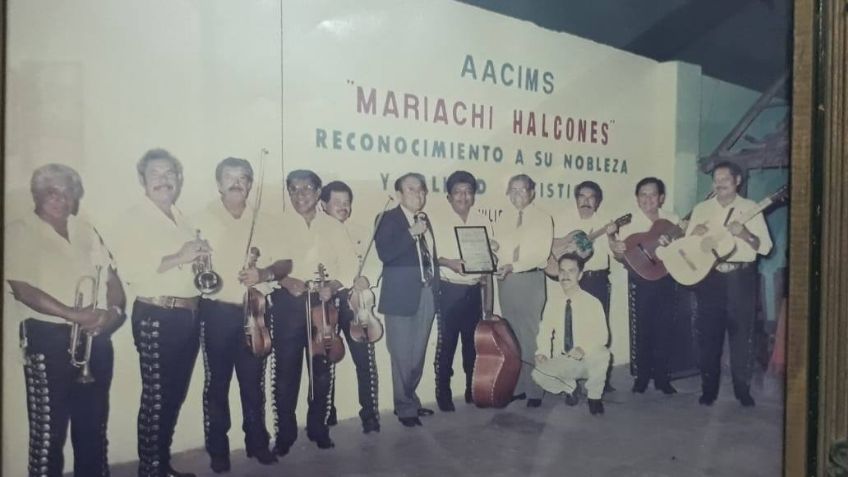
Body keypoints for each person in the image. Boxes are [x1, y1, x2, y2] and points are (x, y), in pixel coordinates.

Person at [6, 164, 125, 477]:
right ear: (37, 195)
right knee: (48, 431)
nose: (60, 199)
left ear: (75, 198)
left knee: (93, 426)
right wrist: (73, 314)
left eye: (67, 193)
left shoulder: (86, 229)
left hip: (95, 336)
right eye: (51, 192)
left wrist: (112, 314)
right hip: (47, 336)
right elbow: (21, 288)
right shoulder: (20, 230)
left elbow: (112, 280)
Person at [110, 148, 207, 477]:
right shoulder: (132, 218)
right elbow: (131, 271)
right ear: (142, 180)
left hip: (188, 314)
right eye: (156, 174)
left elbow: (186, 269)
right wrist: (180, 256)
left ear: (179, 179)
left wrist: (200, 261)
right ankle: (149, 470)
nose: (163, 181)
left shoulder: (182, 217)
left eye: (170, 174)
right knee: (156, 397)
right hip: (157, 314)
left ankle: (160, 465)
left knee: (174, 394)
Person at [191, 157, 280, 472]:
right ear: (218, 183)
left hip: (255, 310)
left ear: (250, 184)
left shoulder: (264, 220)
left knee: (253, 383)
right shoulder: (201, 217)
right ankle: (218, 449)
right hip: (216, 312)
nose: (236, 182)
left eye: (243, 177)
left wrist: (264, 272)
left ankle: (257, 442)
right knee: (216, 384)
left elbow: (284, 264)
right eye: (229, 177)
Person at [263, 170, 359, 455]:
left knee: (322, 370)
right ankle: (285, 434)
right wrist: (283, 280)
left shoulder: (333, 226)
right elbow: (267, 266)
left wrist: (334, 284)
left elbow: (349, 265)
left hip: (323, 304)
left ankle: (318, 428)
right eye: (293, 189)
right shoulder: (277, 224)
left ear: (318, 193)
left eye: (306, 188)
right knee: (285, 372)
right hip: (287, 304)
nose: (300, 194)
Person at [687, 161, 773, 407]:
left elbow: (765, 248)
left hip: (740, 278)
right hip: (710, 277)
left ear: (737, 181)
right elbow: (690, 249)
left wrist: (744, 233)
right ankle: (709, 389)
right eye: (716, 178)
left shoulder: (751, 209)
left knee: (741, 335)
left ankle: (742, 390)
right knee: (709, 336)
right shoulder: (701, 209)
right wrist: (695, 235)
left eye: (725, 178)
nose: (720, 182)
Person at [374, 172, 438, 427]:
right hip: (400, 296)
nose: (418, 194)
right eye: (411, 189)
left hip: (427, 292)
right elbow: (386, 254)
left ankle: (410, 398)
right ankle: (404, 408)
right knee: (401, 354)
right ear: (399, 194)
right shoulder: (386, 219)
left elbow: (430, 256)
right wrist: (412, 233)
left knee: (418, 353)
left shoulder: (425, 219)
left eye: (421, 189)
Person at [319, 180, 381, 434]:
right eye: (337, 203)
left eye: (347, 203)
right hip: (326, 302)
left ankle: (369, 414)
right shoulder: (317, 230)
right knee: (325, 359)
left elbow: (374, 263)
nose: (343, 207)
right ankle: (326, 413)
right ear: (323, 205)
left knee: (364, 360)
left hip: (355, 304)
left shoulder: (360, 230)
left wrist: (366, 278)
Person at [546, 180, 617, 392]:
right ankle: (570, 381)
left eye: (591, 197)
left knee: (597, 330)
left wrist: (612, 234)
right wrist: (567, 244)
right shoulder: (562, 218)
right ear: (576, 199)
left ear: (597, 201)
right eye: (582, 197)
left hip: (597, 279)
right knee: (570, 329)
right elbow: (548, 243)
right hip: (573, 281)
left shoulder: (606, 222)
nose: (586, 201)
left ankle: (598, 377)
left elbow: (616, 252)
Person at [610, 177, 679, 395]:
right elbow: (620, 255)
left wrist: (674, 244)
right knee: (642, 329)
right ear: (637, 199)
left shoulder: (673, 219)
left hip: (667, 278)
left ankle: (663, 379)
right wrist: (617, 250)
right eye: (643, 195)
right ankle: (642, 378)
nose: (647, 199)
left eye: (652, 194)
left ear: (661, 198)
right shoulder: (628, 223)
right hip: (640, 280)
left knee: (665, 328)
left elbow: (682, 250)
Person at [432, 170, 492, 411]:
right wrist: (450, 263)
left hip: (473, 291)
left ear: (474, 196)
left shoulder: (483, 219)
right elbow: (429, 258)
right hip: (449, 290)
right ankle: (443, 393)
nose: (463, 196)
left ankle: (472, 389)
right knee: (446, 345)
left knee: (472, 345)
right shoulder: (436, 221)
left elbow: (487, 259)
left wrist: (488, 302)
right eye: (457, 192)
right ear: (448, 196)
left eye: (468, 192)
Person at [493, 174, 553, 408]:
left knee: (530, 336)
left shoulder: (542, 218)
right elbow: (501, 248)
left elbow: (540, 255)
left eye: (522, 190)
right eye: (513, 190)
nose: (518, 195)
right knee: (511, 336)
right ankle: (517, 386)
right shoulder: (504, 217)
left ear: (532, 193)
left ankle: (535, 390)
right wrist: (492, 249)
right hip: (507, 281)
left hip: (529, 280)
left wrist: (513, 266)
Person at [532, 253, 610, 415]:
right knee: (538, 374)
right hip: (566, 359)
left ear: (580, 275)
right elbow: (545, 330)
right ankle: (570, 387)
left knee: (603, 353)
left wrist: (584, 348)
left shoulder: (592, 303)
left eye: (571, 271)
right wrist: (542, 353)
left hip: (588, 359)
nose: (565, 276)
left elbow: (603, 336)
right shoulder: (553, 302)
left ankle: (594, 397)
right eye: (562, 271)